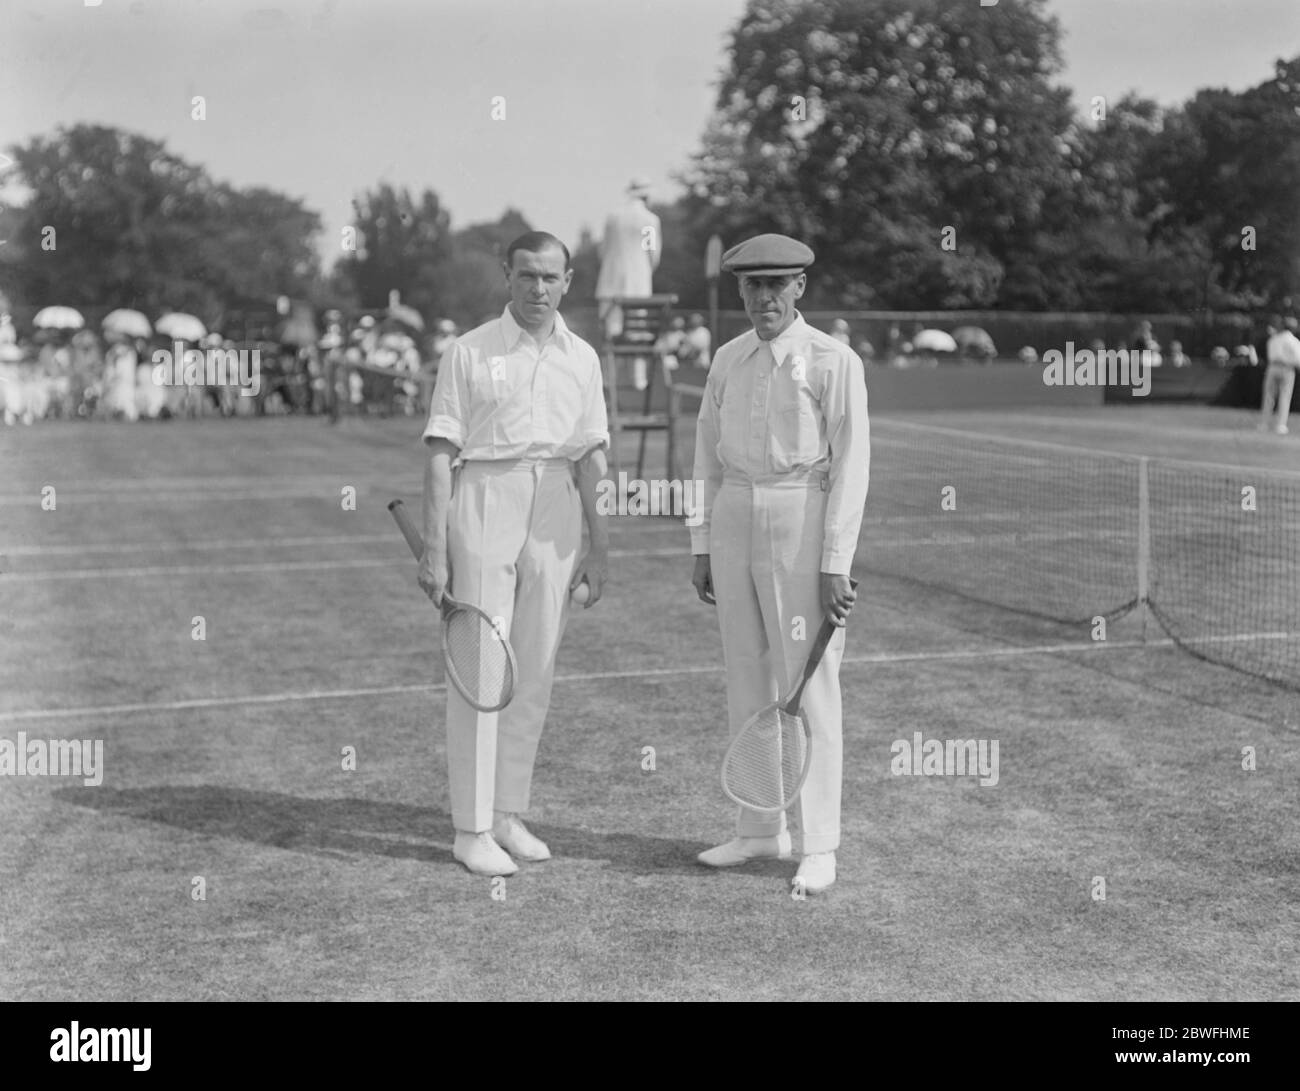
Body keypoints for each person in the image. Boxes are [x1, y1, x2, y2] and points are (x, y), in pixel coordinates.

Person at [418, 231, 610, 877]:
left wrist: (600, 548)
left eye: (550, 277)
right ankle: (470, 828)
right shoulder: (468, 350)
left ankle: (506, 813)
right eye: (526, 275)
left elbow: (590, 457)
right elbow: (442, 452)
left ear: (568, 280)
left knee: (535, 664)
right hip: (486, 493)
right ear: (507, 274)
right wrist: (435, 548)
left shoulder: (583, 358)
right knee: (482, 665)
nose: (538, 288)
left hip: (555, 501)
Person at [690, 233, 869, 896]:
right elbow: (705, 455)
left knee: (809, 684)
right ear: (740, 290)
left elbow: (853, 463)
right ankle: (762, 828)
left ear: (799, 288)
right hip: (735, 512)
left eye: (777, 284)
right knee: (748, 678)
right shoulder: (728, 359)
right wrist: (701, 545)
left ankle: (819, 842)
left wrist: (834, 560)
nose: (764, 297)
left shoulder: (833, 360)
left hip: (803, 512)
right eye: (752, 286)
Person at [596, 177, 662, 391]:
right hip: (638, 286)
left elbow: (603, 249)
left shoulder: (613, 217)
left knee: (611, 333)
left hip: (610, 283)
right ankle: (638, 378)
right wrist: (644, 271)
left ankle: (609, 379)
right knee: (638, 334)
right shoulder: (649, 220)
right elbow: (652, 254)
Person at [1260, 315, 1300, 435]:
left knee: (1268, 397)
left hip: (1272, 367)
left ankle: (1264, 424)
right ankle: (1280, 425)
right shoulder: (1293, 341)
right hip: (1287, 369)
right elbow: (1298, 359)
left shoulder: (1274, 339)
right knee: (1284, 397)